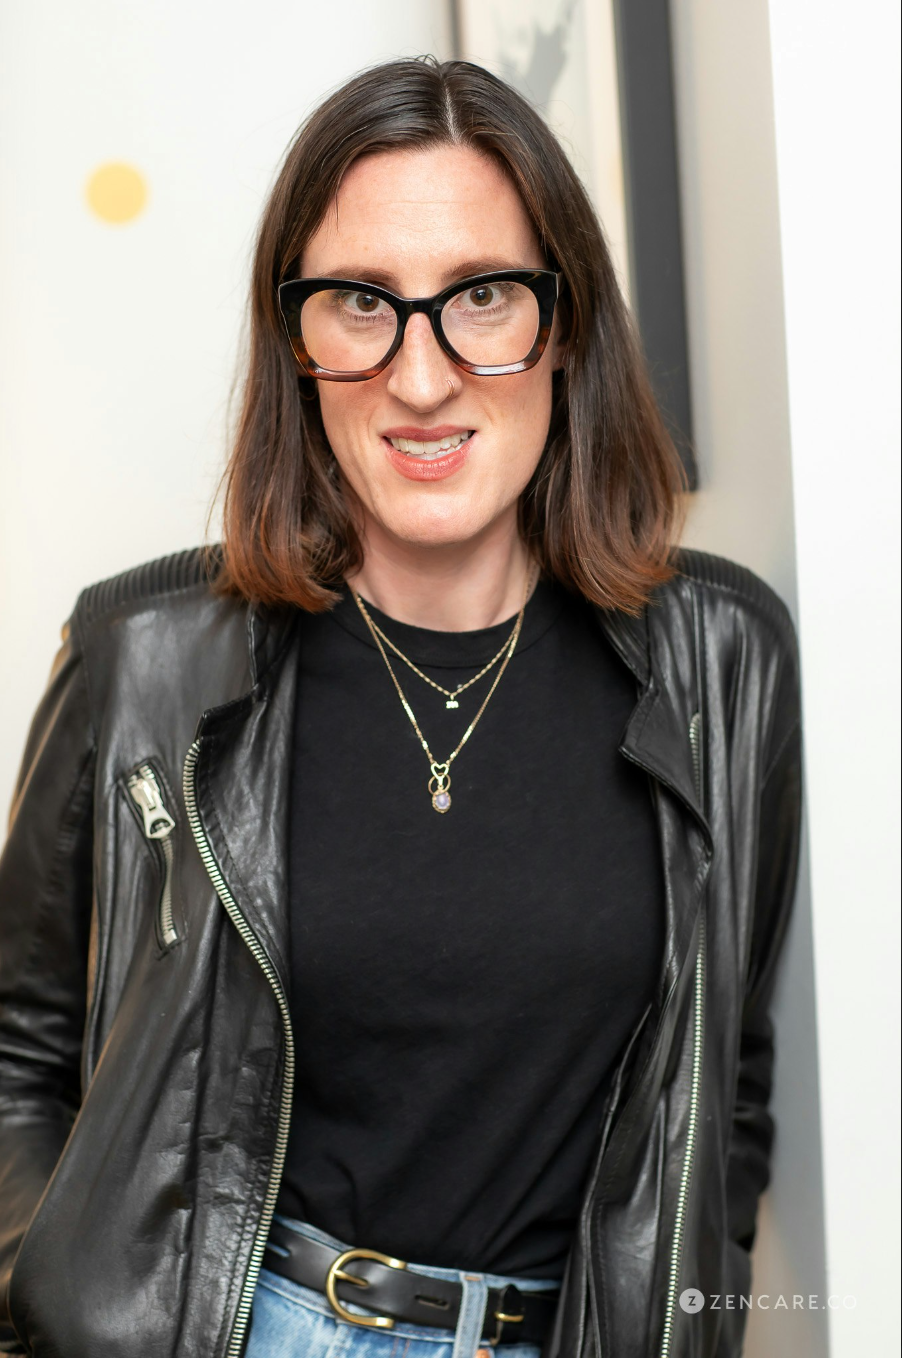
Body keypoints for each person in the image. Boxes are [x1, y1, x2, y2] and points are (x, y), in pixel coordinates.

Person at [0, 57, 803, 1358]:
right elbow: (18, 1042)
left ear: (565, 322)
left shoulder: (725, 657)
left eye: (481, 296)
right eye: (358, 303)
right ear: (296, 340)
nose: (420, 377)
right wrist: (63, 1291)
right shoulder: (144, 653)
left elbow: (724, 1083)